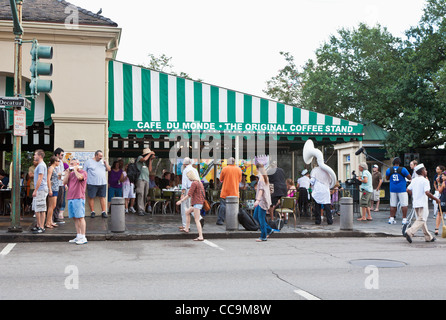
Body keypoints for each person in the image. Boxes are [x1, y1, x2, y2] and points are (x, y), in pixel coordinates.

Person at [405, 164, 439, 243]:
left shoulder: (414, 180)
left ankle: (428, 237)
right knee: (422, 219)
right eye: (425, 170)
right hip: (423, 203)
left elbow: (408, 189)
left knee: (421, 220)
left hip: (416, 202)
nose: (426, 171)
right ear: (423, 171)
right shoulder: (425, 180)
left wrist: (414, 195)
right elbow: (427, 192)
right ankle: (410, 232)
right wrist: (436, 199)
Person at [252, 156, 279, 242]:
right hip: (262, 201)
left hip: (262, 201)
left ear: (257, 169)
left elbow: (261, 190)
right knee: (256, 217)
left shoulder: (261, 179)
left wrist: (257, 200)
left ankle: (263, 236)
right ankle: (269, 230)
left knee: (260, 218)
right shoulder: (264, 177)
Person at [63, 157, 88, 245]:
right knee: (75, 218)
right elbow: (64, 182)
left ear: (77, 165)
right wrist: (68, 173)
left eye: (73, 164)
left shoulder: (83, 172)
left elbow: (80, 178)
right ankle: (78, 235)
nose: (71, 166)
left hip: (79, 197)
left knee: (80, 217)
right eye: (71, 164)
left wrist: (76, 170)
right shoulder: (71, 174)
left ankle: (83, 236)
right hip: (70, 197)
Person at [176, 169, 205, 241]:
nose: (188, 178)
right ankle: (186, 228)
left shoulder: (194, 183)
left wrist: (181, 201)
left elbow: (189, 194)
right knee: (187, 212)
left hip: (197, 203)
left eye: (188, 177)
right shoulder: (199, 183)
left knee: (197, 220)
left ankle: (201, 236)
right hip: (199, 203)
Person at [84, 150, 111, 218]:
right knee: (91, 197)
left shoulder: (102, 162)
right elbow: (84, 173)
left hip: (102, 183)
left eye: (102, 156)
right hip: (92, 183)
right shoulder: (88, 162)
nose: (101, 158)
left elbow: (109, 169)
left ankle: (103, 212)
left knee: (102, 197)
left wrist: (105, 163)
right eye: (99, 156)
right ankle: (92, 211)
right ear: (96, 155)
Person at [216, 157, 242, 225]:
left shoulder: (225, 169)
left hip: (225, 191)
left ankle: (220, 220)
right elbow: (239, 180)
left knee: (223, 206)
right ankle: (234, 221)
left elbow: (221, 179)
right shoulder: (239, 170)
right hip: (235, 192)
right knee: (234, 206)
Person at [386, 157, 411, 225]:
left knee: (393, 204)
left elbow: (387, 178)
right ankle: (404, 219)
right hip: (402, 189)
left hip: (393, 189)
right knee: (404, 204)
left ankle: (391, 219)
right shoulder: (403, 169)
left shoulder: (389, 170)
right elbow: (409, 177)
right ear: (399, 163)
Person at [180, 157, 203, 230]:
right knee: (192, 206)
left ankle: (185, 225)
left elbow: (184, 183)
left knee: (184, 208)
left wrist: (182, 194)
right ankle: (199, 218)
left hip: (188, 189)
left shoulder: (185, 170)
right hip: (195, 189)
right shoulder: (195, 170)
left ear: (184, 164)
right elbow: (198, 180)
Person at [31, 149, 48, 234]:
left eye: (35, 154)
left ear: (40, 156)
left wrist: (36, 190)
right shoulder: (40, 165)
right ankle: (39, 225)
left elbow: (40, 178)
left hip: (41, 189)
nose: (34, 156)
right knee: (39, 208)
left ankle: (41, 226)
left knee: (39, 208)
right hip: (41, 189)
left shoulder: (41, 165)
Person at [135, 148, 156, 216]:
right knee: (140, 193)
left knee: (145, 194)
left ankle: (143, 209)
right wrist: (150, 154)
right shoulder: (140, 158)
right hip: (141, 179)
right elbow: (143, 159)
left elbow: (150, 170)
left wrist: (150, 160)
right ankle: (140, 209)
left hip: (146, 179)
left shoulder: (146, 162)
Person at [45, 156, 60, 229]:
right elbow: (48, 179)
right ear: (54, 161)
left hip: (55, 188)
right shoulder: (51, 168)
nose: (59, 162)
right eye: (58, 161)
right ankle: (48, 222)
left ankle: (50, 221)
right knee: (52, 205)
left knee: (53, 206)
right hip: (53, 188)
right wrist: (50, 189)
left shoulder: (54, 169)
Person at [53, 147, 66, 224]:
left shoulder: (61, 162)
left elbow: (62, 172)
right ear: (57, 154)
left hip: (61, 184)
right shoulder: (54, 162)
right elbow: (56, 173)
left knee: (60, 201)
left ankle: (56, 216)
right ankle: (53, 217)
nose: (62, 156)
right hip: (56, 184)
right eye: (62, 154)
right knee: (55, 202)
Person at [433, 165, 445, 235]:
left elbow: (440, 191)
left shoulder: (443, 183)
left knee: (439, 213)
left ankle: (437, 229)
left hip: (443, 198)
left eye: (443, 176)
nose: (442, 177)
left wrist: (439, 183)